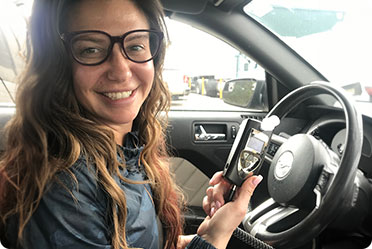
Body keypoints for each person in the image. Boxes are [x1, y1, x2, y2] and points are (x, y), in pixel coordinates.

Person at [0, 0, 262, 248]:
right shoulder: (64, 186)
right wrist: (216, 239)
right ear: (58, 65)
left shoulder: (128, 145)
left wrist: (200, 238)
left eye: (136, 46)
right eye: (91, 49)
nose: (121, 70)